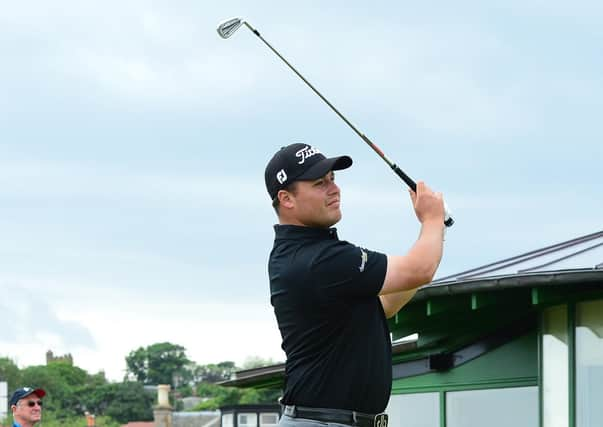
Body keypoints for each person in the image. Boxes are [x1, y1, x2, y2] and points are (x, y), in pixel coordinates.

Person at [265, 143, 445, 427]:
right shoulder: (319, 259)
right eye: (319, 183)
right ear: (287, 199)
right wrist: (432, 220)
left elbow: (384, 304)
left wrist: (432, 238)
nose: (334, 189)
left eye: (333, 180)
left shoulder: (309, 252)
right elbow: (420, 269)